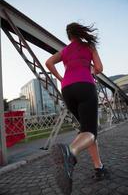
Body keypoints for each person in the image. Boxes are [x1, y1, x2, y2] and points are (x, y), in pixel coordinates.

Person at [45, 22, 109, 194]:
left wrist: (60, 77)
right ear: (80, 32)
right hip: (85, 86)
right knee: (91, 132)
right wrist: (90, 71)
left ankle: (99, 167)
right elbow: (99, 68)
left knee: (86, 130)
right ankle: (70, 152)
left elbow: (49, 62)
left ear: (68, 36)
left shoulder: (65, 50)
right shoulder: (89, 46)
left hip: (67, 89)